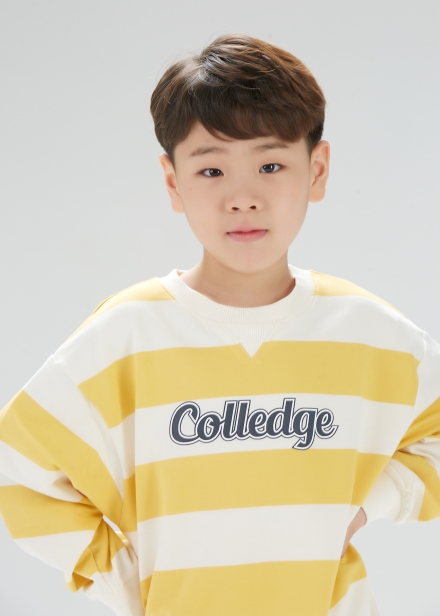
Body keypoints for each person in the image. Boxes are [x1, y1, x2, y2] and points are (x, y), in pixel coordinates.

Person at [0, 32, 439, 616]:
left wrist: (369, 505)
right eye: (211, 171)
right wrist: (127, 580)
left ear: (317, 170)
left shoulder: (368, 333)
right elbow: (20, 468)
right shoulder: (127, 336)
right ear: (173, 182)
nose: (242, 197)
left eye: (271, 164)